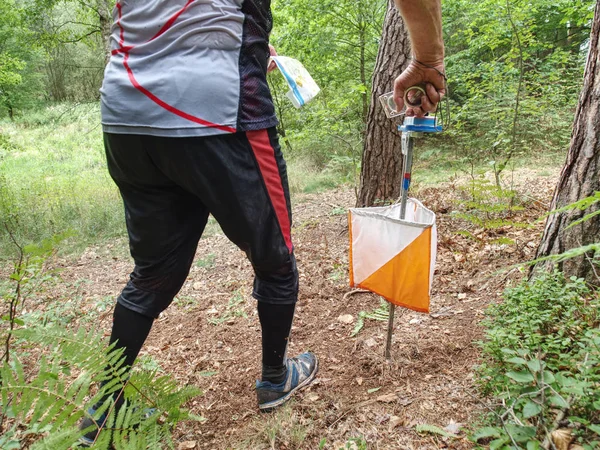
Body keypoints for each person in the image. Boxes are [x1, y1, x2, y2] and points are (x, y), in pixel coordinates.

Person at [79, 0, 444, 444]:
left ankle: (104, 407)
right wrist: (428, 59)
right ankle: (275, 379)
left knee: (153, 271)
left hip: (126, 115)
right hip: (217, 111)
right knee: (275, 258)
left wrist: (243, 42)